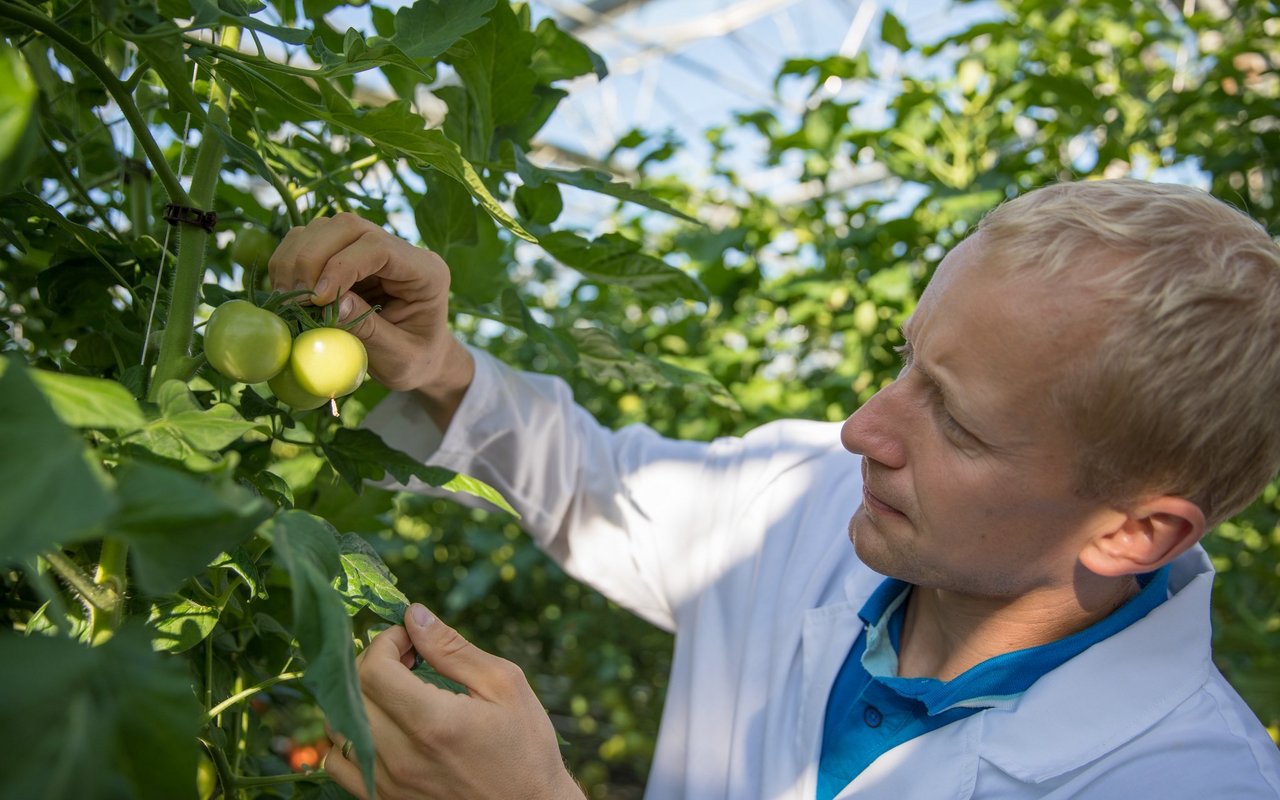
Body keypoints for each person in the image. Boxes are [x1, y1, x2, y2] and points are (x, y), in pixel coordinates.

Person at [269, 179, 1280, 799]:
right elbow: (594, 485)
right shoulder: (806, 499)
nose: (860, 429)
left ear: (1135, 531)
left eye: (957, 421)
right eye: (905, 359)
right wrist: (436, 363)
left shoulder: (1182, 780)